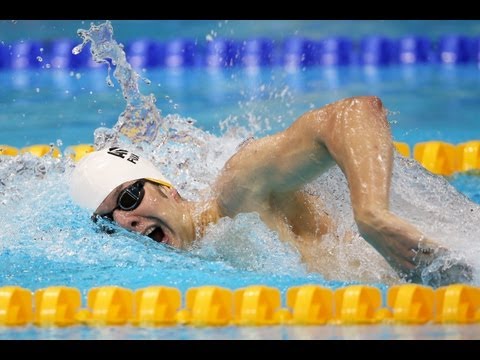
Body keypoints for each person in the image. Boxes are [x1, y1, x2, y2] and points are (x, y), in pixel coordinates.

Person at [70, 95, 472, 286]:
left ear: (167, 189)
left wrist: (372, 216)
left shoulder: (238, 195)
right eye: (108, 223)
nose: (125, 221)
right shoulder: (195, 269)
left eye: (128, 198)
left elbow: (353, 113)